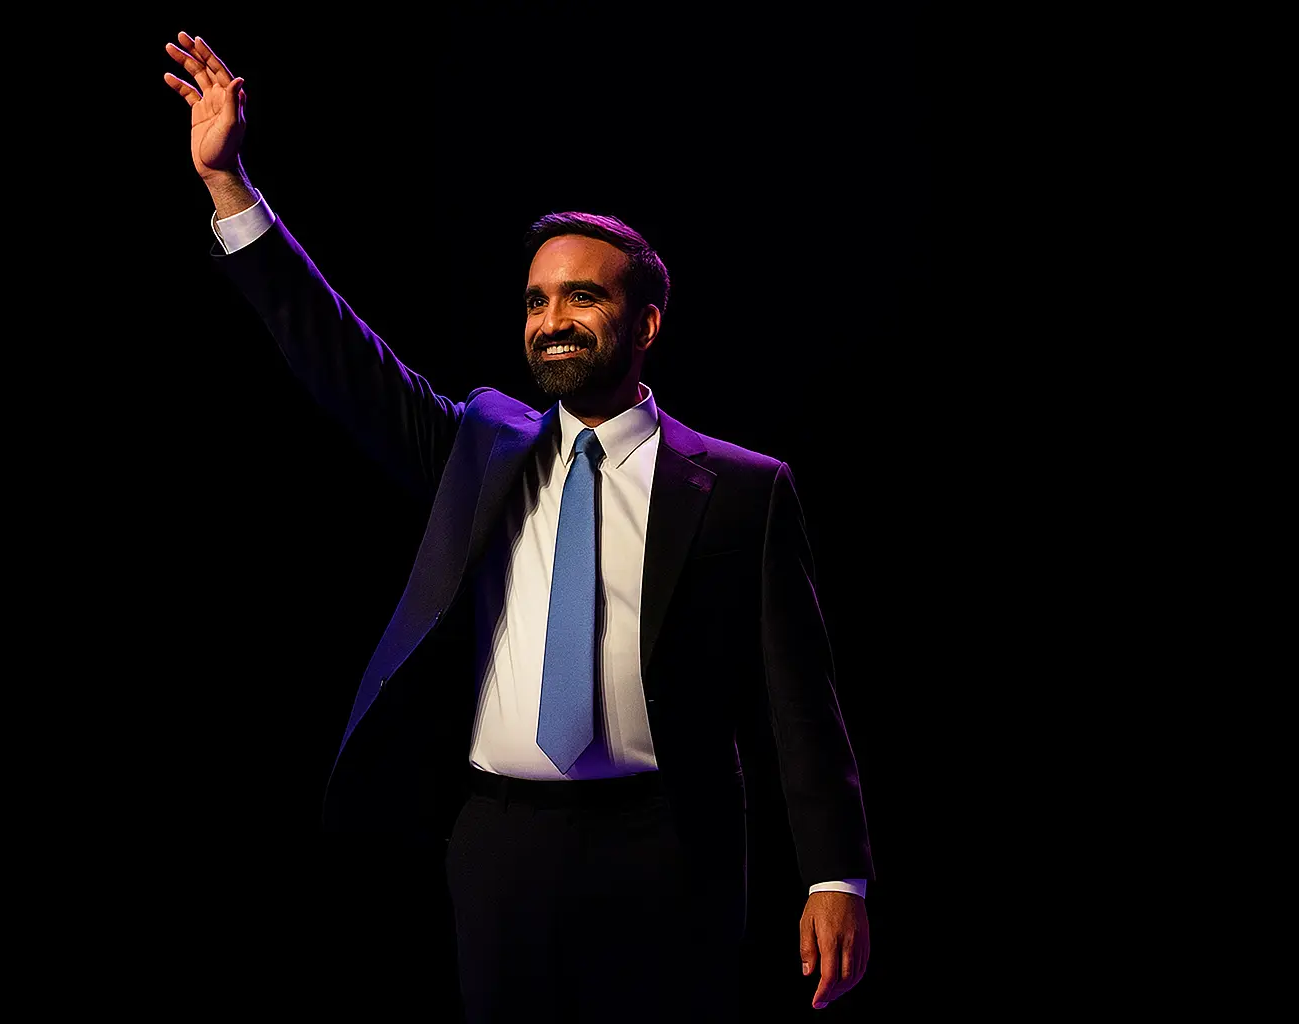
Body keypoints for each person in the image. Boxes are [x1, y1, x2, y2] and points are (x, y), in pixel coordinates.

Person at [162, 31, 875, 1022]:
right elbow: (334, 351)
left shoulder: (745, 489)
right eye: (537, 300)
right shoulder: (481, 445)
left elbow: (804, 699)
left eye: (582, 295)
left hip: (669, 847)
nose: (552, 319)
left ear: (646, 323)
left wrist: (838, 875)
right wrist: (231, 183)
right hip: (499, 844)